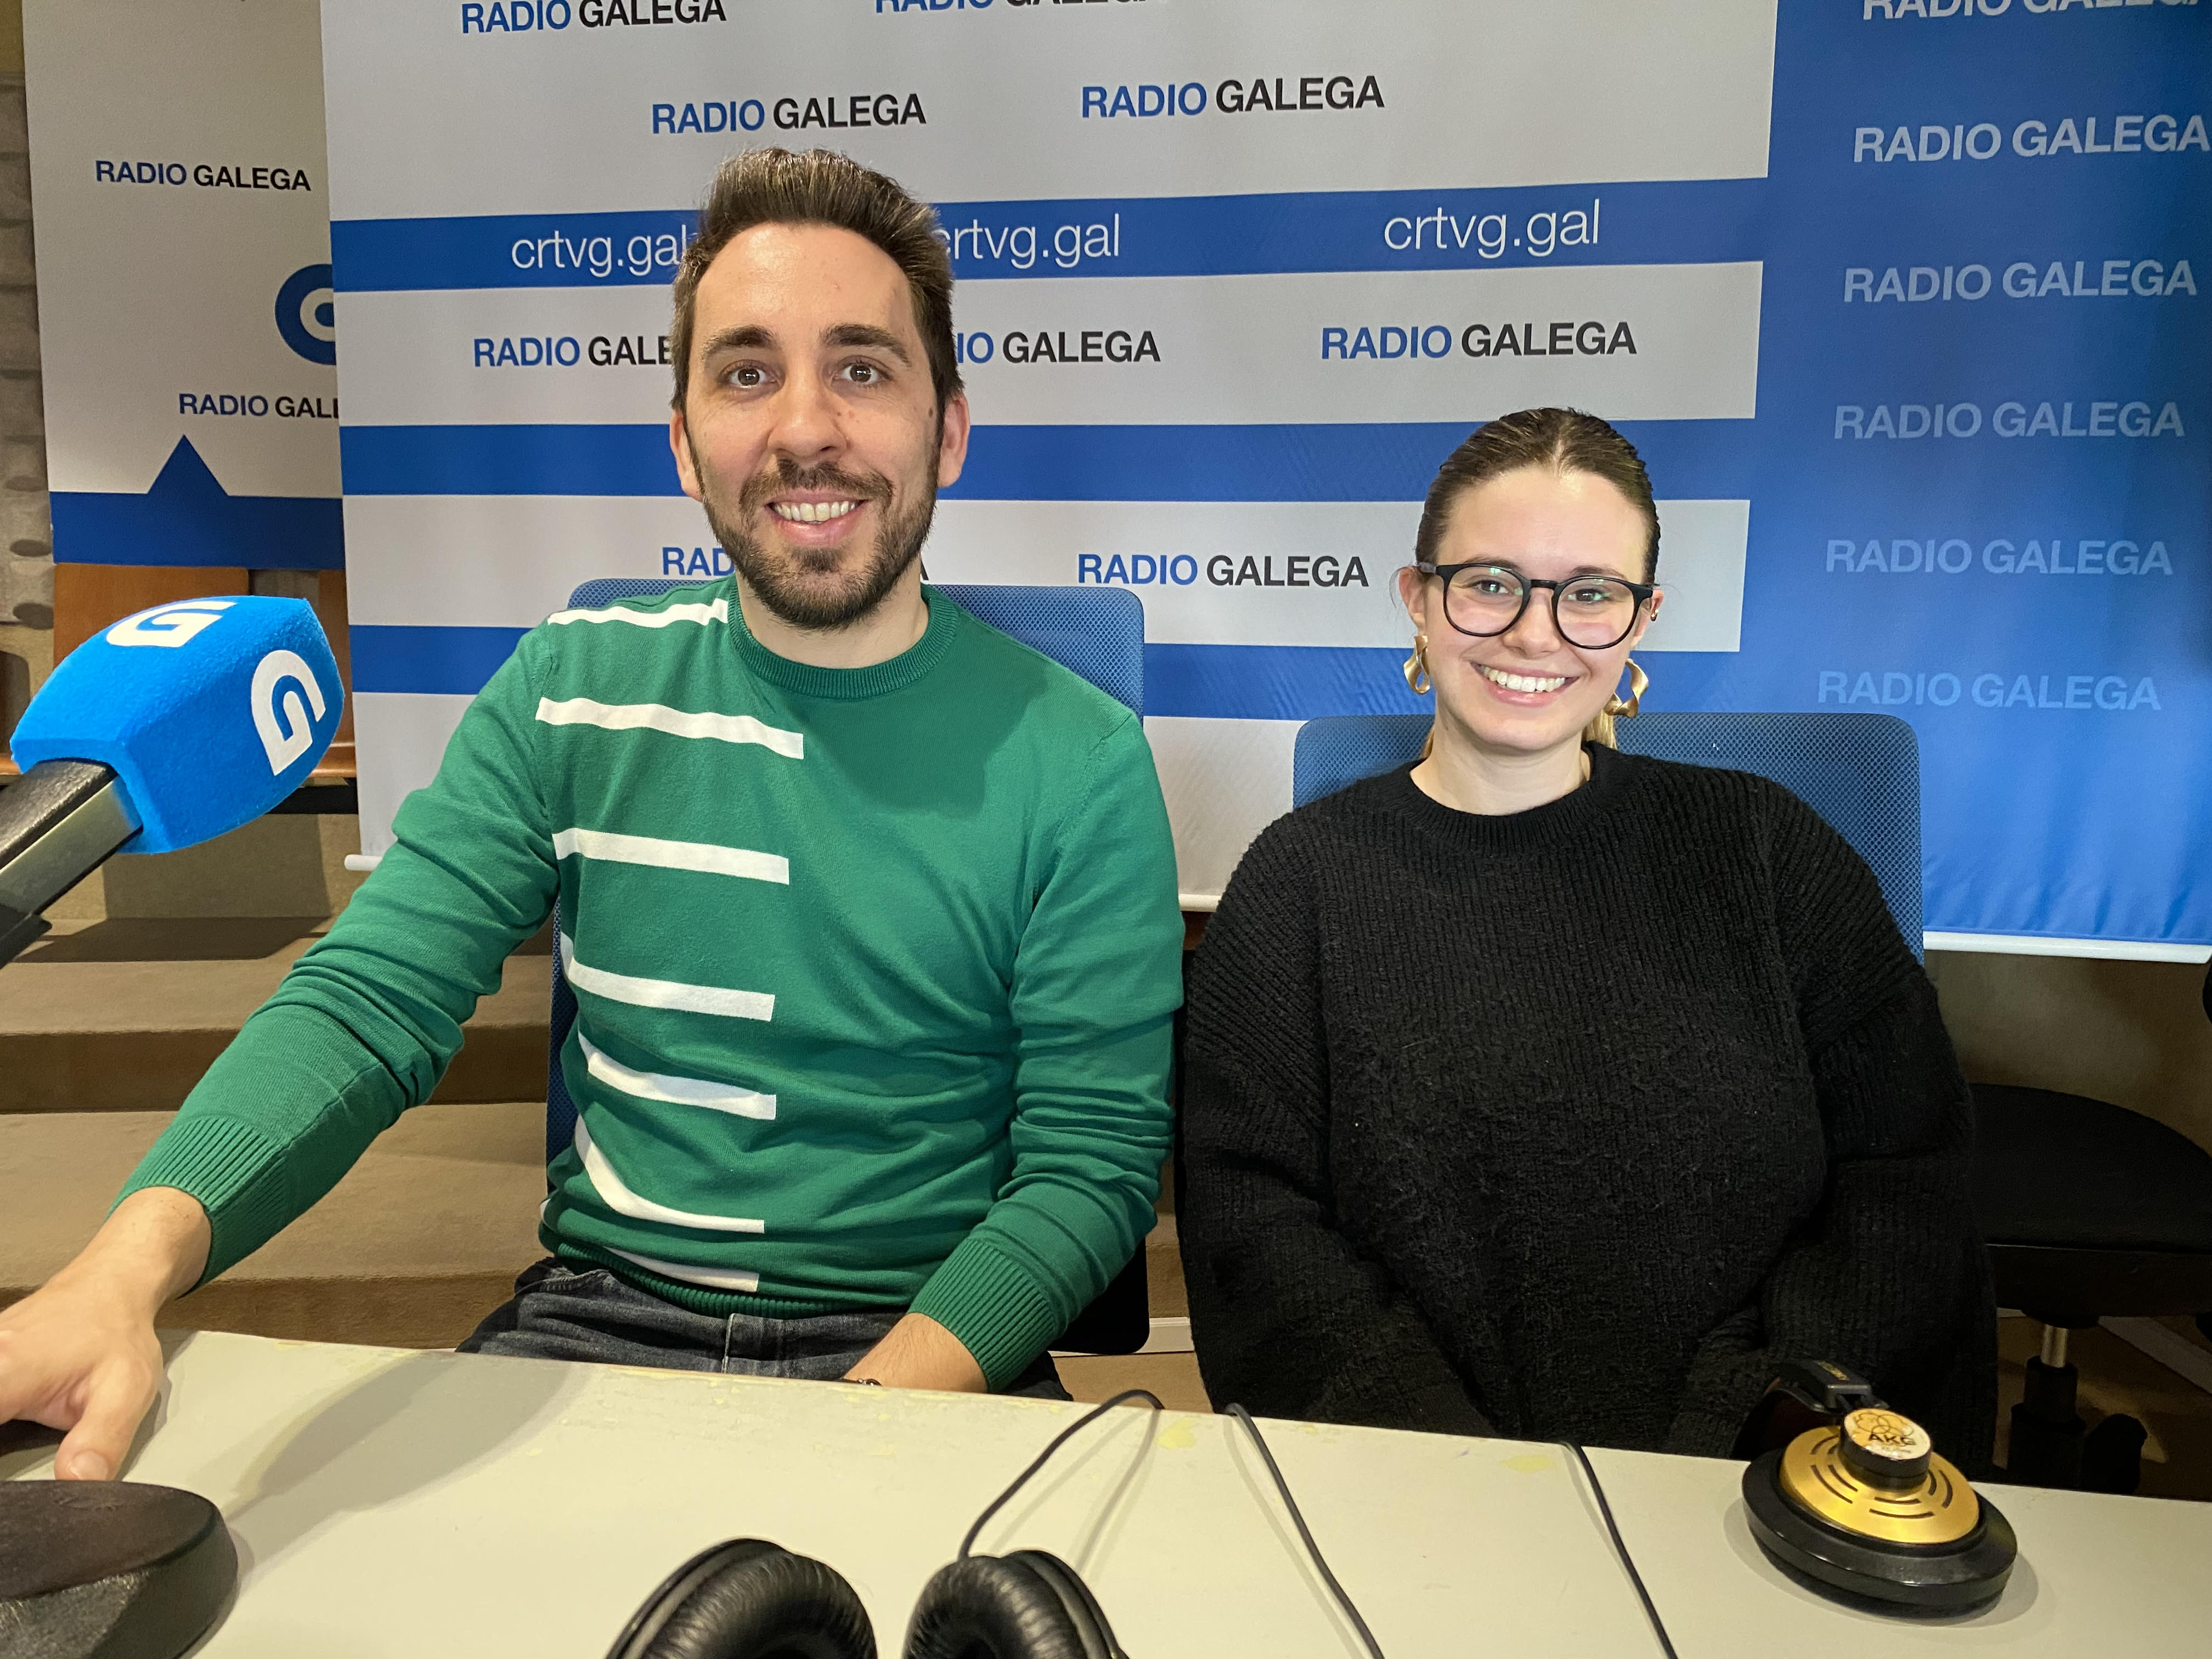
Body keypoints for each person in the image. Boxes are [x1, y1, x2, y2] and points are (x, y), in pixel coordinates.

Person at [0, 148, 1184, 1481]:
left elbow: (1091, 1170)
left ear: (948, 430)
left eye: (863, 367)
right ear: (683, 443)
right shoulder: (572, 684)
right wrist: (120, 1270)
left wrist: (864, 1420)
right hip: (600, 1325)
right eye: (746, 372)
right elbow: (366, 1003)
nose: (805, 426)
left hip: (930, 1348)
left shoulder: (1078, 756)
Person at [1177, 408, 1995, 1464]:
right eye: (1489, 582)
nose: (1535, 632)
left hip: (1756, 1484)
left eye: (1591, 594)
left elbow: (1906, 1175)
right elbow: (1255, 1233)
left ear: (1642, 619)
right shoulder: (1298, 886)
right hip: (1415, 1502)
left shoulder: (1767, 852)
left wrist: (1753, 1423)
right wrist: (1465, 1475)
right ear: (1419, 600)